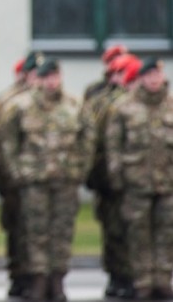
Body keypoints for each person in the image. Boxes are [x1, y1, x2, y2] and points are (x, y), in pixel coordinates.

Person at [0, 58, 92, 301]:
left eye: (55, 76)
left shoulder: (74, 105)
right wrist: (18, 171)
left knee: (62, 232)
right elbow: (8, 141)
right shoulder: (21, 106)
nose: (52, 82)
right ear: (39, 79)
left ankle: (57, 280)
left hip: (65, 179)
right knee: (35, 232)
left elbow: (87, 139)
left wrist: (80, 168)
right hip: (34, 181)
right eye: (47, 77)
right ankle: (38, 280)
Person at [105, 58, 173, 300]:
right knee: (138, 234)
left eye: (158, 75)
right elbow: (113, 146)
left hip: (167, 183)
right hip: (136, 182)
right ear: (141, 78)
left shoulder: (170, 106)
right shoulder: (124, 108)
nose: (154, 80)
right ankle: (143, 281)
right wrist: (117, 178)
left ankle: (163, 279)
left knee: (167, 233)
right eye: (149, 75)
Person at [83, 52, 136, 299]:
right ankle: (118, 275)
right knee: (114, 230)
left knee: (136, 231)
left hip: (139, 178)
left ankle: (134, 277)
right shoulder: (102, 101)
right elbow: (95, 141)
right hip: (108, 177)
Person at [0, 50, 42, 298]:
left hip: (41, 178)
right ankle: (18, 275)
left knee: (39, 231)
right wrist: (3, 176)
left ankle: (37, 278)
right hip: (13, 178)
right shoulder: (8, 100)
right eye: (34, 73)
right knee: (18, 230)